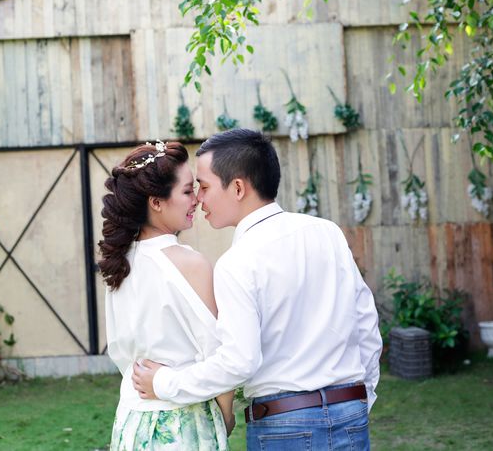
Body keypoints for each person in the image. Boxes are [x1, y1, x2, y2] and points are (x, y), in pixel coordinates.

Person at [133, 129, 383, 450]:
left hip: (285, 427)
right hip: (350, 413)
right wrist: (362, 398)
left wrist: (164, 382)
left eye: (205, 187)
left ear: (238, 187)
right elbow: (366, 324)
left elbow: (239, 362)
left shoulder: (237, 261)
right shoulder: (327, 233)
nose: (199, 199)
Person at [99, 140, 234, 450]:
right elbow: (219, 354)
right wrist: (226, 416)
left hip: (131, 421)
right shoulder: (190, 263)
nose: (197, 200)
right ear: (156, 202)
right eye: (187, 191)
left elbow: (122, 356)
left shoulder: (119, 264)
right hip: (184, 422)